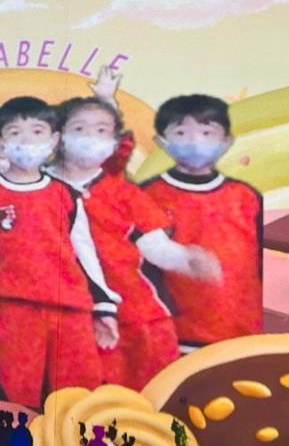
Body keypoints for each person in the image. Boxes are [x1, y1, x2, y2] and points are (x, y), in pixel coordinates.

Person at [50, 96, 221, 390]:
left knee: (148, 395)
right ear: (58, 137)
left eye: (101, 130)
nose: (91, 137)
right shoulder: (38, 189)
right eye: (79, 128)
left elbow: (157, 248)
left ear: (115, 140)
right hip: (68, 312)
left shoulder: (125, 194)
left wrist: (188, 260)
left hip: (135, 314)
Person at [0, 97, 119, 408]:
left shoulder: (66, 195)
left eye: (37, 132)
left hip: (71, 309)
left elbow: (85, 254)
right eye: (15, 133)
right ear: (0, 142)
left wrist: (104, 306)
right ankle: (13, 441)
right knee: (15, 390)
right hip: (15, 308)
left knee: (78, 391)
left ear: (54, 140)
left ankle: (74, 440)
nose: (27, 141)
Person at [141, 94, 263, 352]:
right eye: (181, 133)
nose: (195, 141)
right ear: (161, 142)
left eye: (207, 133)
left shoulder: (246, 197)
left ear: (227, 141)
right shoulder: (148, 195)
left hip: (244, 331)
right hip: (179, 335)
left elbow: (262, 264)